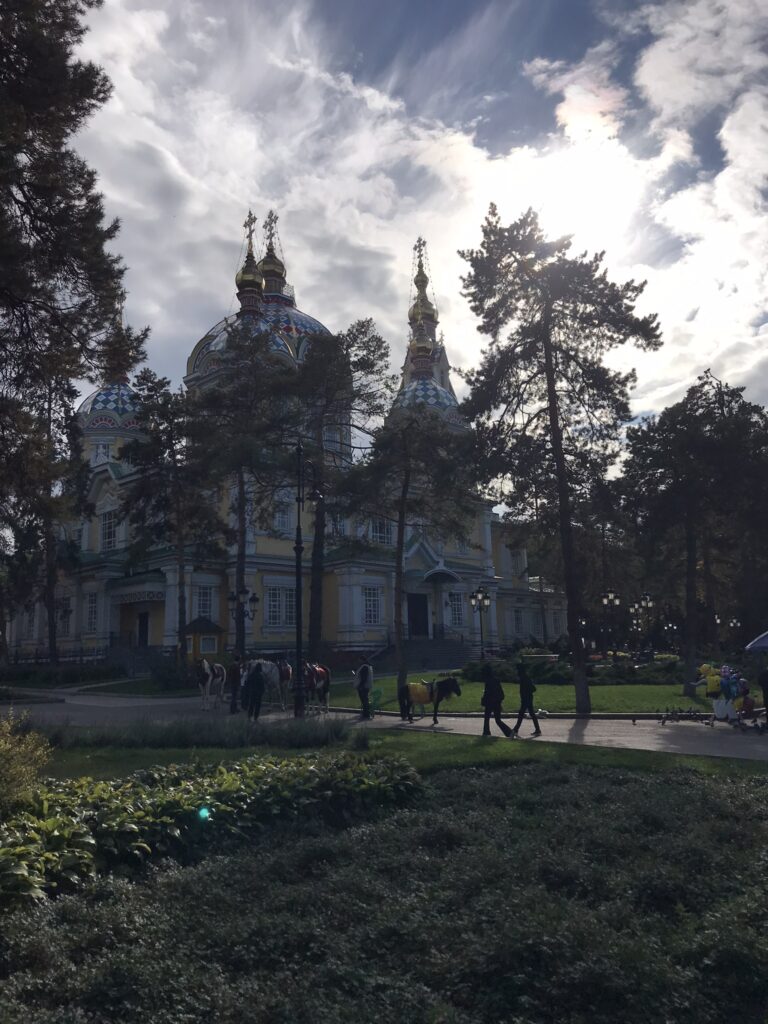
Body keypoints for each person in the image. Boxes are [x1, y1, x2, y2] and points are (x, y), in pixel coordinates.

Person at [480, 662, 514, 738]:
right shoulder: (496, 680)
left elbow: (487, 693)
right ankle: (509, 732)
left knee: (486, 718)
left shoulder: (487, 681)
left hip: (490, 702)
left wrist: (483, 700)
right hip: (497, 702)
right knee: (498, 720)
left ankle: (486, 732)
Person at [511, 662, 541, 738]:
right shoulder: (524, 677)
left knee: (521, 714)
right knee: (531, 714)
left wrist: (525, 694)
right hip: (528, 698)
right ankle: (537, 730)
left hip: (526, 698)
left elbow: (530, 689)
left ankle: (515, 729)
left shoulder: (524, 678)